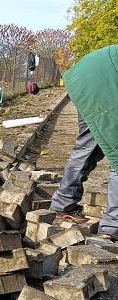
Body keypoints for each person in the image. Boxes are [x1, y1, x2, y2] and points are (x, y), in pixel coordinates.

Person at [50, 44, 118, 239]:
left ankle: (63, 204)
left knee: (90, 143)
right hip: (103, 79)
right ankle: (113, 226)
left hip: (85, 77)